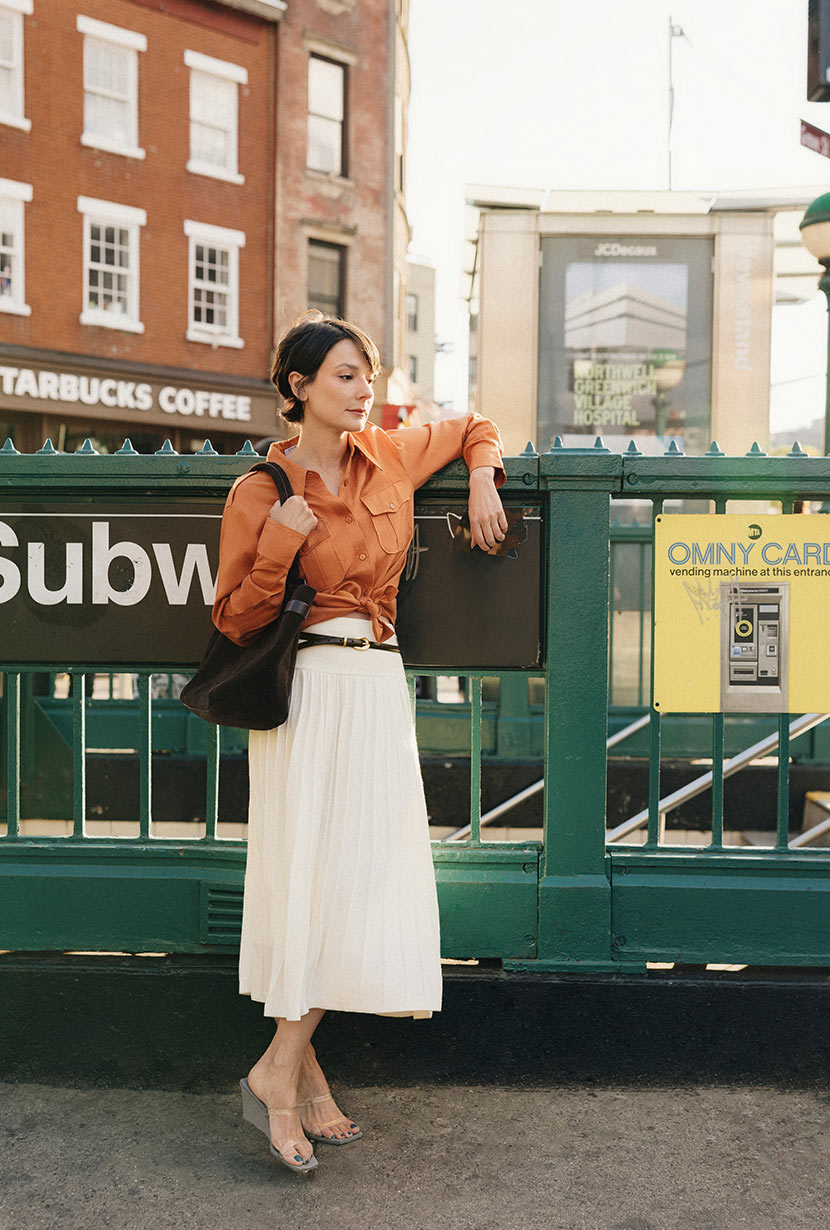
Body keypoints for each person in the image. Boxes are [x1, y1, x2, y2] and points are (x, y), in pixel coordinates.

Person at [212, 312, 507, 1173]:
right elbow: (234, 617)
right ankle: (286, 1077)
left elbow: (473, 424)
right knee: (312, 876)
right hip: (308, 689)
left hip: (378, 679)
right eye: (344, 375)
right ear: (298, 389)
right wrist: (283, 540)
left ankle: (288, 1072)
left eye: (368, 374)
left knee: (363, 875)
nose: (363, 388)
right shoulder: (260, 491)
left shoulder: (389, 455)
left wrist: (483, 477)